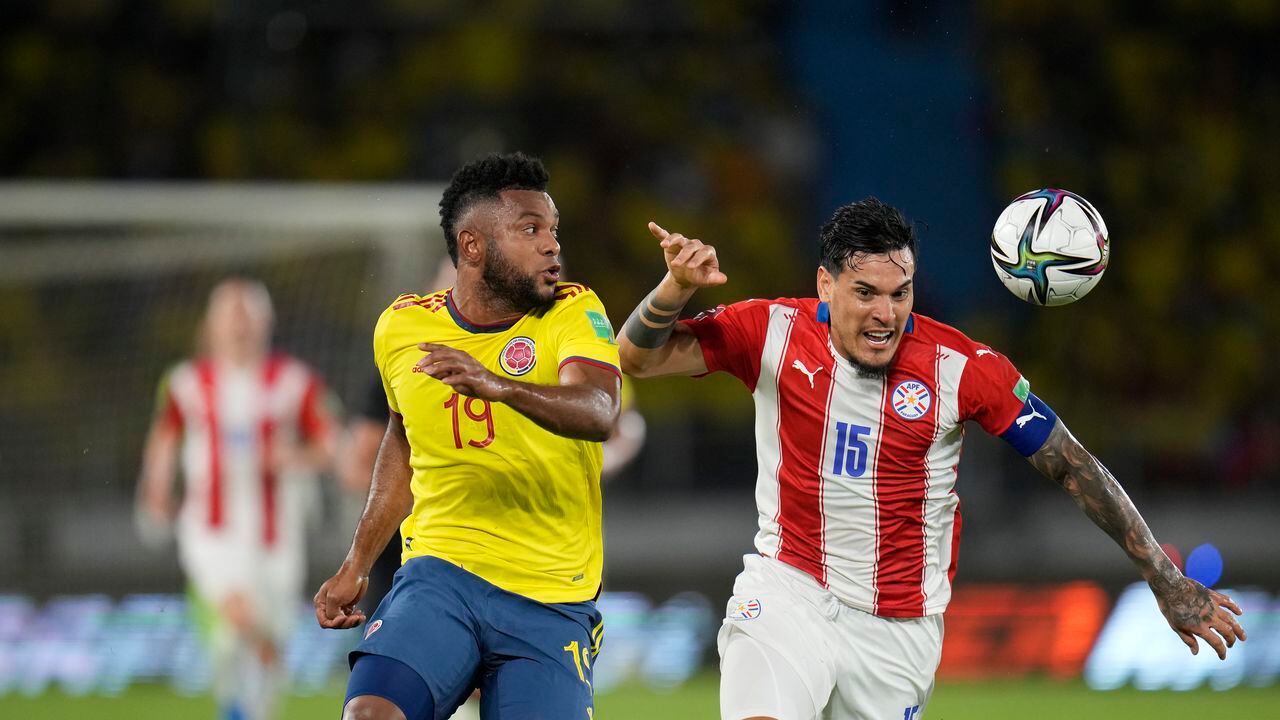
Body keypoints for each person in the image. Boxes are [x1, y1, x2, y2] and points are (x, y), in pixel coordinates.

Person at [616, 199, 1247, 720]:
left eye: (900, 293)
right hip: (789, 593)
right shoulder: (770, 331)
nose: (885, 315)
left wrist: (1165, 576)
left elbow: (1069, 463)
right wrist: (674, 289)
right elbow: (637, 357)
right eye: (865, 293)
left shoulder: (964, 369)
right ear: (825, 285)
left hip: (900, 630)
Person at [314, 152, 622, 720]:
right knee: (370, 714)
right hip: (441, 574)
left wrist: (500, 387)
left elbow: (599, 410)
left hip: (551, 594)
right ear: (474, 246)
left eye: (553, 230)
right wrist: (356, 563)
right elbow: (402, 445)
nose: (552, 245)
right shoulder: (403, 327)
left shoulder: (572, 312)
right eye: (531, 230)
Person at [137, 277, 337, 720]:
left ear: (267, 323)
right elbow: (164, 438)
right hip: (211, 532)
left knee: (265, 643)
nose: (240, 326)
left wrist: (293, 455)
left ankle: (250, 708)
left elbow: (331, 445)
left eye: (249, 316)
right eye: (231, 315)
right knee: (238, 620)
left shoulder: (294, 380)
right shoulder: (186, 382)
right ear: (211, 325)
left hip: (276, 536)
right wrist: (155, 490)